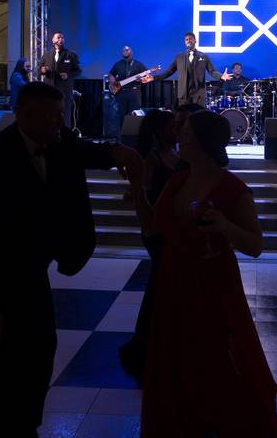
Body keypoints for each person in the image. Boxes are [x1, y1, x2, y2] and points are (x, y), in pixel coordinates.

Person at [0, 81, 143, 436]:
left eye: (60, 116)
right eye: (53, 116)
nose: (60, 123)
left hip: (30, 275)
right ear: (26, 116)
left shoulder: (57, 142)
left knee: (38, 354)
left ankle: (26, 425)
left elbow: (86, 151)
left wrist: (118, 152)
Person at [128, 110, 277, 437]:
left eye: (185, 135)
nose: (178, 139)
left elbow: (255, 245)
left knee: (214, 359)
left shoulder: (233, 188)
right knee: (176, 360)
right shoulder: (176, 180)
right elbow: (152, 227)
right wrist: (138, 188)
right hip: (173, 280)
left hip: (213, 285)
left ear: (202, 141)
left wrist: (225, 226)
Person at [119, 109, 181, 384]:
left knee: (161, 286)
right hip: (156, 228)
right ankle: (144, 350)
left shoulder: (172, 154)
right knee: (160, 283)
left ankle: (153, 347)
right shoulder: (153, 158)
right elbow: (139, 193)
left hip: (167, 225)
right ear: (158, 131)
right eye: (172, 126)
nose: (177, 130)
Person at [151, 32, 232, 107]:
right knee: (184, 118)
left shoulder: (203, 56)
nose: (188, 41)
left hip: (199, 94)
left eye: (190, 39)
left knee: (198, 118)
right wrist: (154, 78)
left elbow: (212, 71)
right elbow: (169, 72)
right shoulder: (179, 57)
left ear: (195, 40)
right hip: (184, 94)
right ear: (184, 42)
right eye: (186, 39)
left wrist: (221, 76)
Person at [39, 32, 81, 130]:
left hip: (64, 92)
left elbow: (78, 71)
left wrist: (68, 75)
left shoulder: (70, 55)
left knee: (65, 116)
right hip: (50, 91)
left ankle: (66, 137)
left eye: (62, 37)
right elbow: (40, 69)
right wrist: (42, 70)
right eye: (58, 37)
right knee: (49, 114)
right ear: (53, 40)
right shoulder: (46, 55)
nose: (60, 39)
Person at [108, 45, 151, 131]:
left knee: (134, 116)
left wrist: (142, 79)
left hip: (134, 93)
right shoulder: (118, 64)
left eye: (127, 50)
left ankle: (133, 137)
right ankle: (122, 137)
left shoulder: (139, 64)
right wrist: (113, 83)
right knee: (121, 116)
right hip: (121, 93)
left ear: (131, 51)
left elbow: (148, 76)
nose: (125, 51)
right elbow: (111, 74)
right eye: (123, 50)